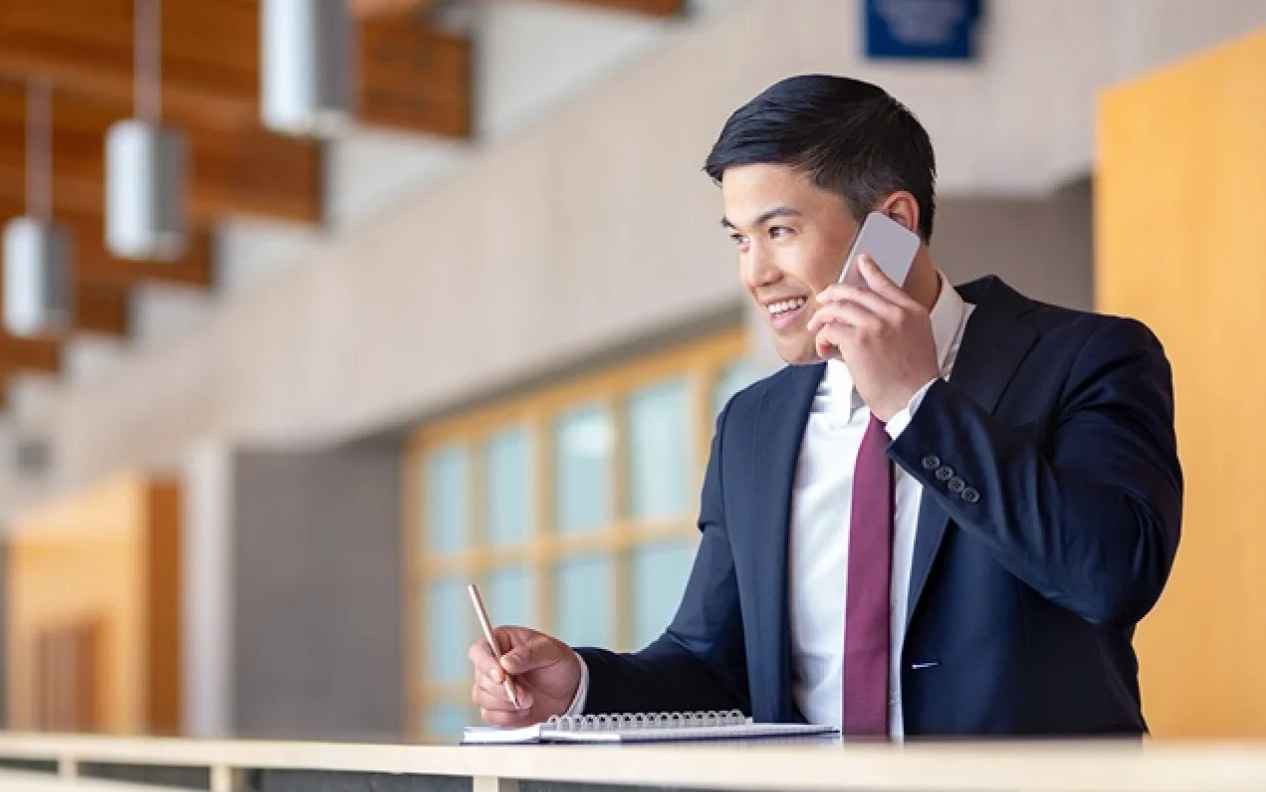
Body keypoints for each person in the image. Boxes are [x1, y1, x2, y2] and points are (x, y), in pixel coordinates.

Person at [467, 74, 1182, 738]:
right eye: (740, 240)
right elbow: (712, 663)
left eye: (780, 232)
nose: (756, 274)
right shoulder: (752, 425)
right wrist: (582, 689)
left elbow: (1112, 575)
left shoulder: (1089, 357)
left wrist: (915, 404)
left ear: (894, 224)